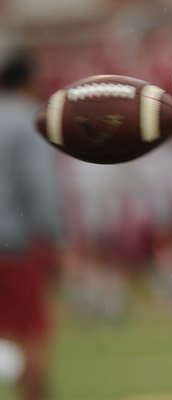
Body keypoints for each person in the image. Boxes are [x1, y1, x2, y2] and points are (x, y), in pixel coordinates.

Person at [0, 48, 65, 400]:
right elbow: (40, 186)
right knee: (32, 336)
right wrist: (58, 237)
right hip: (14, 243)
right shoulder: (28, 118)